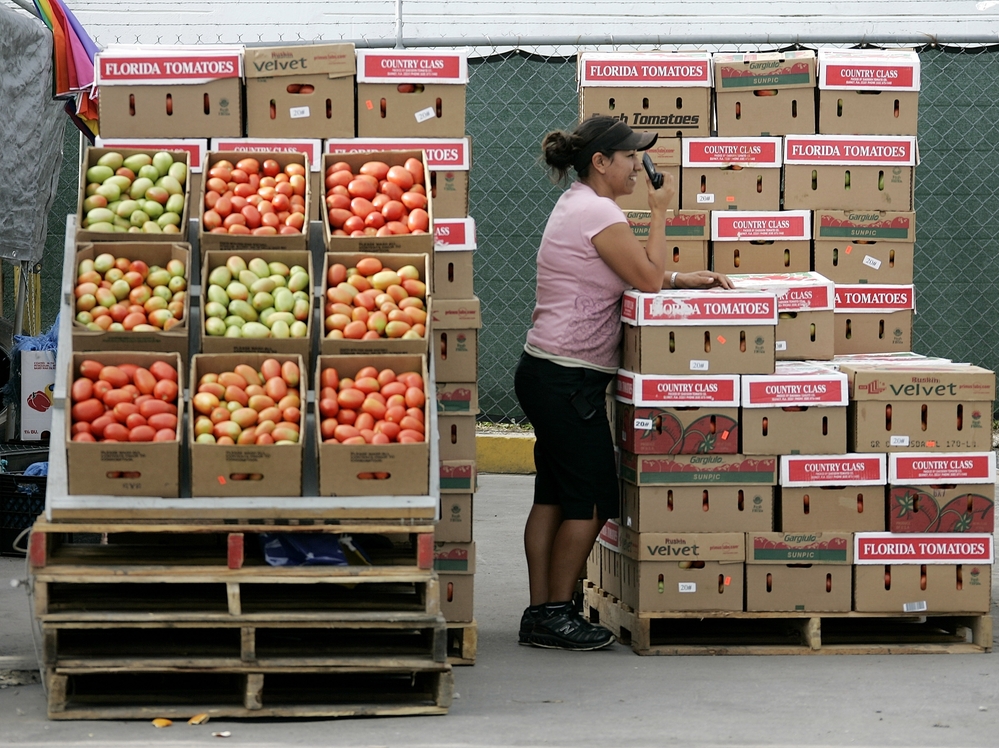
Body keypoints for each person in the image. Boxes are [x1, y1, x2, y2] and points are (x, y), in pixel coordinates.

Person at [514, 115, 732, 651]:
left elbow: (624, 269)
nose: (639, 165)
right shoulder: (598, 210)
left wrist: (683, 277)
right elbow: (646, 280)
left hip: (550, 372)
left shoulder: (581, 206)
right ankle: (555, 613)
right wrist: (661, 216)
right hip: (568, 379)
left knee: (554, 496)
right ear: (601, 163)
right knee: (590, 500)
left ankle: (542, 612)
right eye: (630, 156)